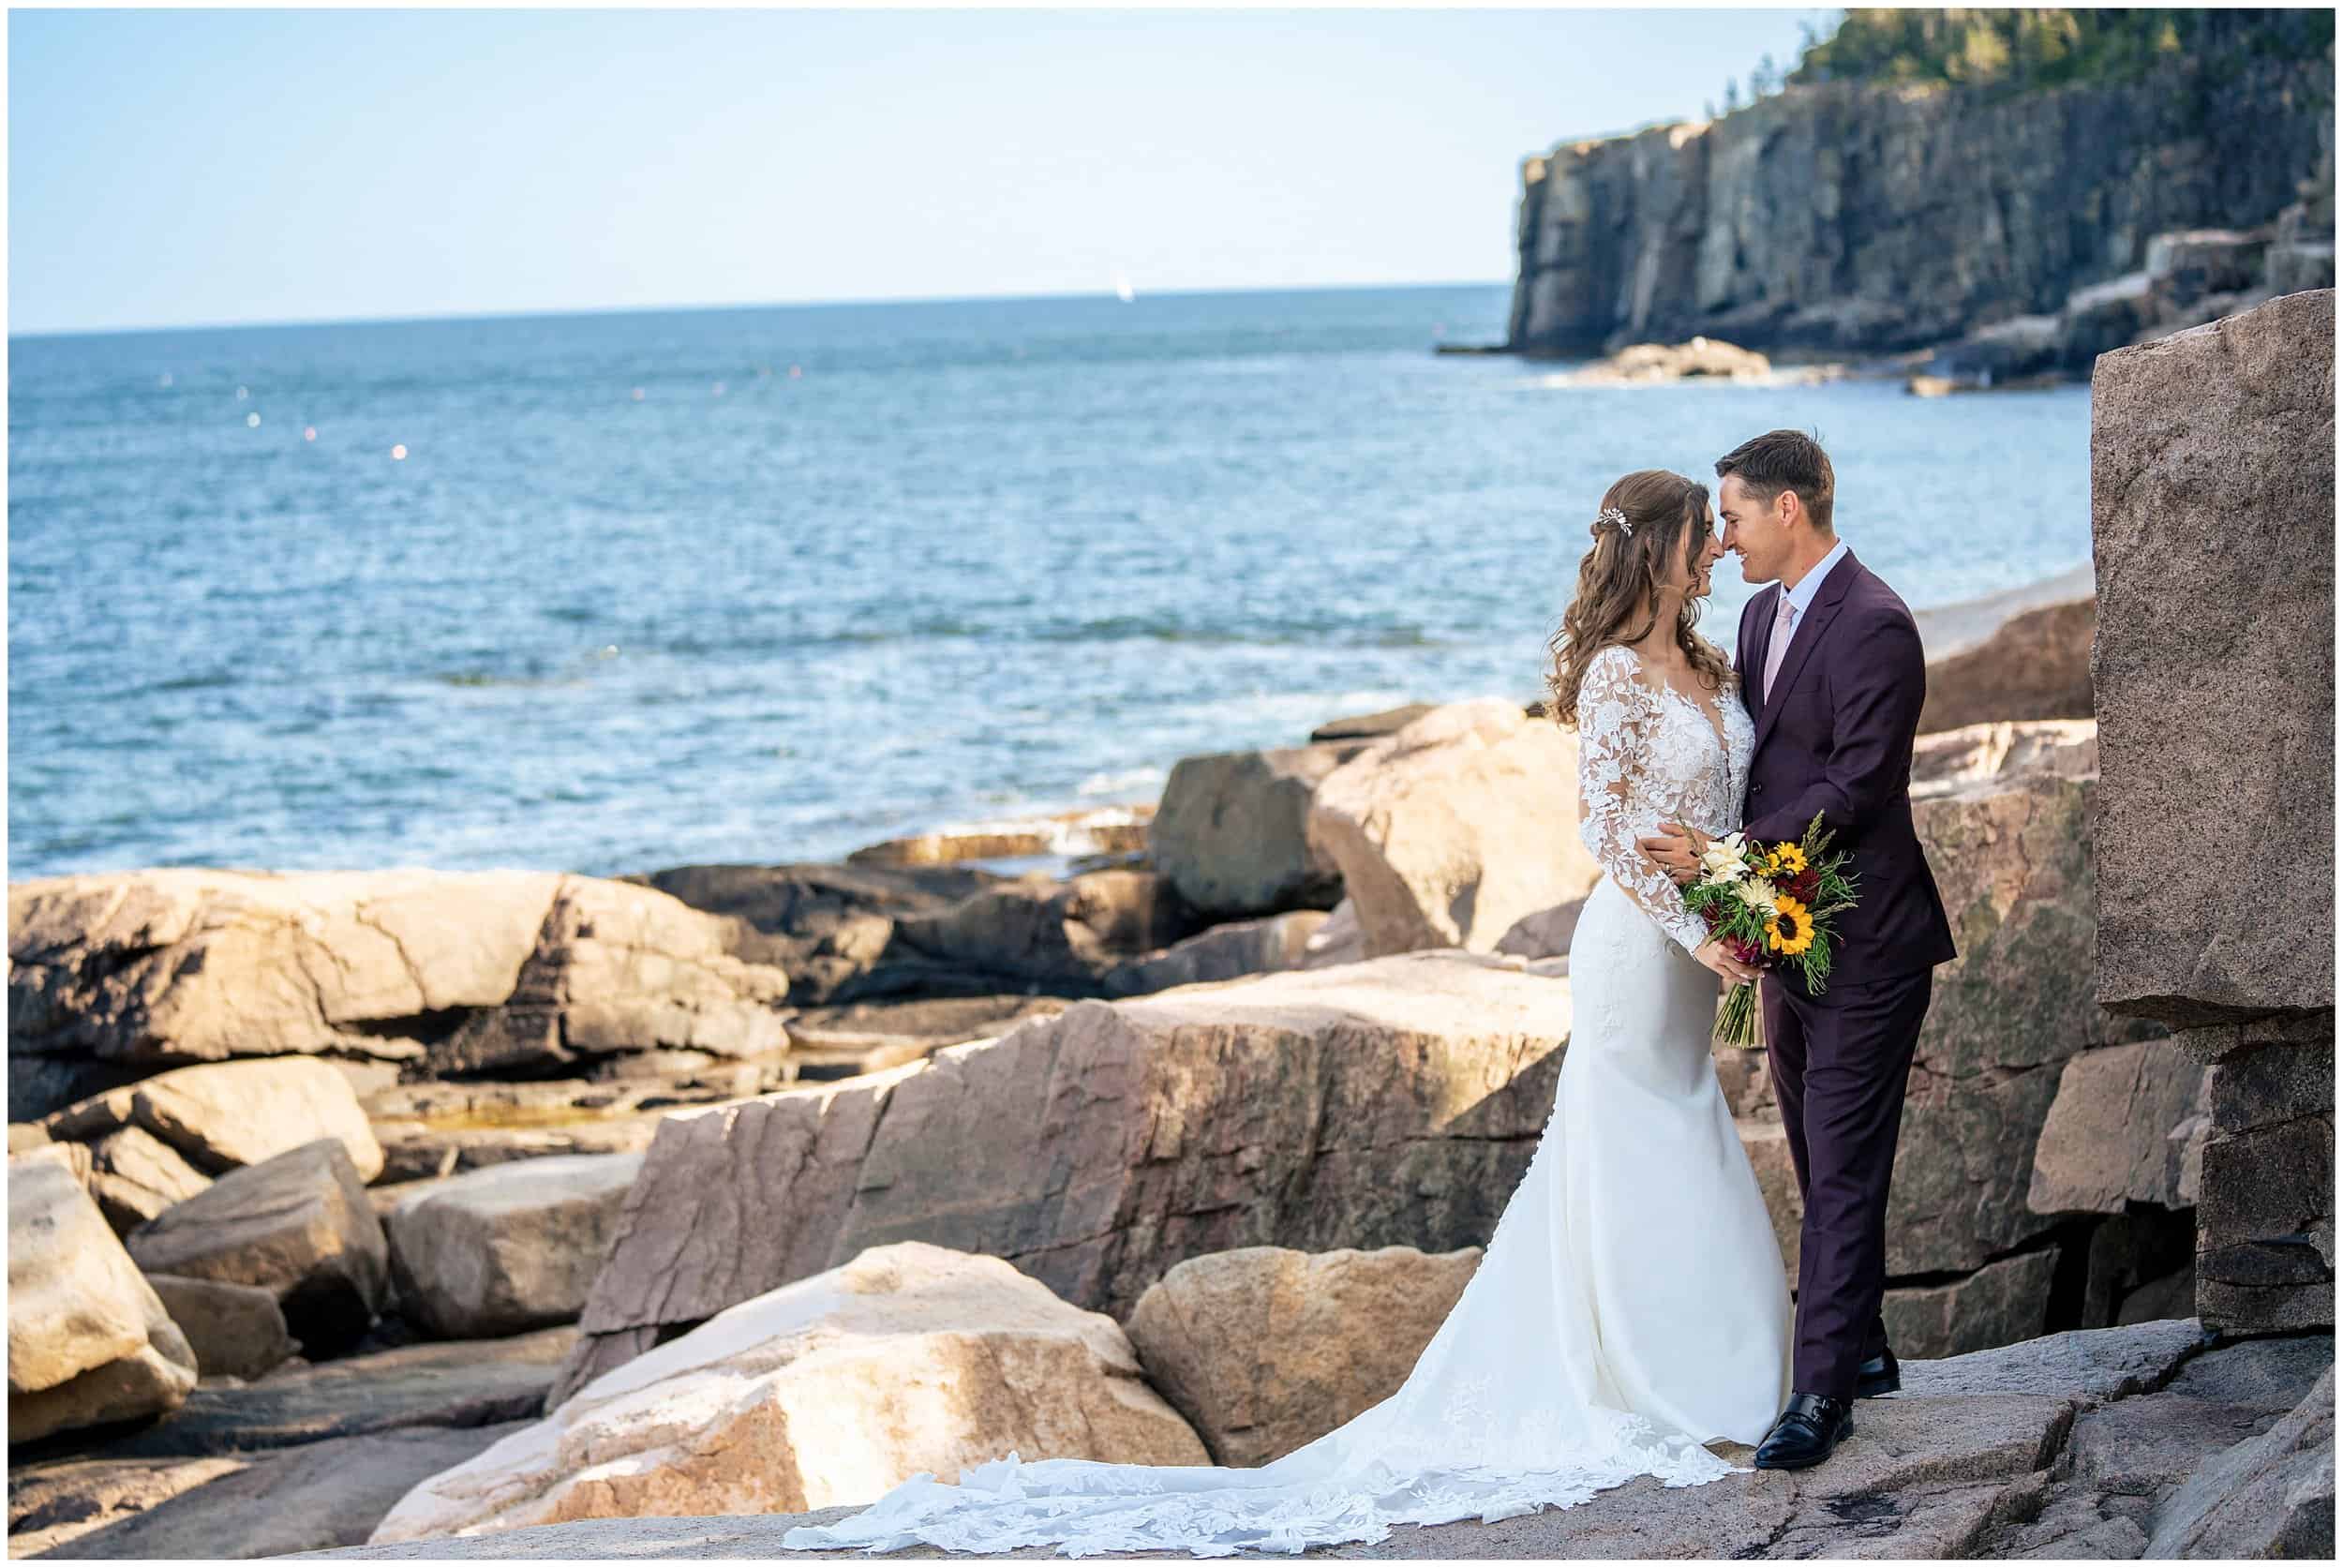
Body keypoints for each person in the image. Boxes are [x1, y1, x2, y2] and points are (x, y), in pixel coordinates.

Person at [778, 468, 1794, 1559]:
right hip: (1642, 950)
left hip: (1702, 938)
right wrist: (1705, 932)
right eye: (1703, 534)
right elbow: (1608, 829)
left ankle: (1713, 1367)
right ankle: (1681, 1382)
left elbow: (1724, 809)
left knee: (1672, 1127)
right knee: (1649, 1136)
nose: (1717, 550)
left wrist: (1745, 902)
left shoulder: (1712, 658)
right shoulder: (1609, 678)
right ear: (1659, 547)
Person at [1640, 430, 1957, 1471]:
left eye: (1730, 516)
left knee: (1845, 1167)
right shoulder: (1757, 613)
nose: (1720, 538)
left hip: (1869, 941)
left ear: (1788, 510)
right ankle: (1860, 1347)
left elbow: (1859, 786)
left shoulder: (1876, 624)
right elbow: (1762, 764)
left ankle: (1817, 1395)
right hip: (1791, 936)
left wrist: (1729, 854)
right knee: (1821, 1155)